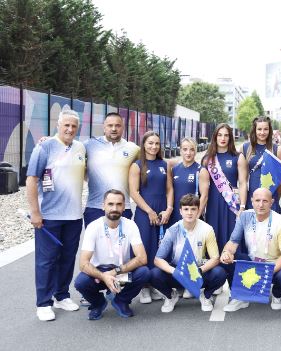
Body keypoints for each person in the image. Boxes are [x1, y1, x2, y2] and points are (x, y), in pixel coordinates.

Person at [26, 109, 86, 321]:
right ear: (58, 125)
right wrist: (35, 212)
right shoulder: (44, 147)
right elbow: (31, 180)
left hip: (74, 216)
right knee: (46, 260)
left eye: (73, 126)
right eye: (66, 125)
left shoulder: (80, 147)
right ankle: (43, 302)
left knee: (68, 258)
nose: (70, 129)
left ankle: (61, 295)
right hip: (49, 216)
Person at [74, 189, 150, 320]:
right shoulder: (93, 227)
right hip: (99, 275)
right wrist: (104, 276)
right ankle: (98, 303)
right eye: (110, 204)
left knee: (144, 273)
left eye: (119, 204)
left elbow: (142, 258)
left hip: (121, 274)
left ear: (124, 206)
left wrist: (115, 272)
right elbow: (83, 263)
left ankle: (121, 301)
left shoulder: (130, 225)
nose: (114, 208)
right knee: (80, 282)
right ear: (103, 205)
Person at [220, 188, 281, 312]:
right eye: (257, 200)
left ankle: (277, 295)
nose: (260, 204)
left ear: (272, 202)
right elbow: (233, 242)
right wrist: (226, 253)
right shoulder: (245, 216)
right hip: (252, 262)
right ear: (252, 201)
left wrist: (267, 272)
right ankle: (240, 297)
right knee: (227, 260)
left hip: (273, 264)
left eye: (265, 201)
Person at [150, 194, 227, 313]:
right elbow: (158, 259)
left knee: (220, 273)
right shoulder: (173, 230)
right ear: (180, 211)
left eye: (193, 209)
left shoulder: (207, 229)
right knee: (154, 274)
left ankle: (205, 295)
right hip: (178, 272)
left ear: (198, 211)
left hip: (197, 271)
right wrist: (174, 271)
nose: (189, 213)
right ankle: (171, 296)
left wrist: (200, 270)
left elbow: (215, 258)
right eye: (186, 209)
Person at [129, 131, 173, 303]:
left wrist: (168, 209)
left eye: (157, 143)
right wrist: (149, 211)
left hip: (162, 213)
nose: (154, 146)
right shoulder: (137, 166)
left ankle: (155, 284)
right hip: (145, 213)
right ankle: (144, 288)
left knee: (160, 249)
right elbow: (134, 192)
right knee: (145, 248)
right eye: (150, 143)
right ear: (144, 145)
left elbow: (169, 189)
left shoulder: (164, 164)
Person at [83, 112, 140, 227]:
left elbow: (152, 161)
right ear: (104, 127)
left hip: (123, 207)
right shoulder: (89, 145)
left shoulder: (133, 149)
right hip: (95, 207)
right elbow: (68, 148)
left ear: (123, 127)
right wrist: (48, 140)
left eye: (118, 125)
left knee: (121, 245)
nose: (114, 129)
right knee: (94, 245)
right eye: (110, 125)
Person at [203, 123, 248, 251]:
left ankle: (233, 268)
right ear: (215, 137)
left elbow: (243, 183)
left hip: (232, 205)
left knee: (232, 237)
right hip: (213, 204)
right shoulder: (207, 159)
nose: (223, 138)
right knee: (214, 237)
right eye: (220, 135)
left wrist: (243, 207)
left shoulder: (238, 157)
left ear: (230, 138)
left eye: (226, 135)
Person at [241, 116, 281, 214]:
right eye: (259, 129)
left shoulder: (277, 150)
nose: (262, 132)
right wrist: (243, 204)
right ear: (254, 130)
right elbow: (242, 180)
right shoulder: (245, 148)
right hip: (252, 199)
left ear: (270, 130)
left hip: (270, 199)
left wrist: (274, 199)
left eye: (266, 129)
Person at [168, 137, 209, 226]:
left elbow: (204, 196)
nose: (188, 153)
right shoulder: (174, 169)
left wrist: (196, 217)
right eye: (185, 149)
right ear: (180, 151)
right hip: (175, 215)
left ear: (196, 151)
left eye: (192, 150)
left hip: (192, 216)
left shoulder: (201, 171)